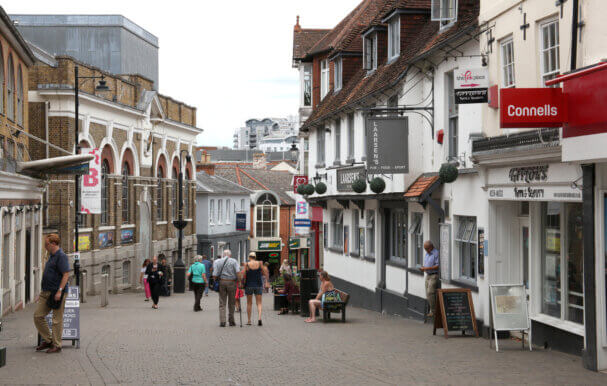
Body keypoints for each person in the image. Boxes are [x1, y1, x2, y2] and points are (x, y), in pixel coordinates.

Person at [34, 234, 70, 353]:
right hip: (46, 292)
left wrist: (60, 291)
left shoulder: (61, 256)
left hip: (57, 292)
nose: (45, 246)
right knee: (38, 316)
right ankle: (49, 341)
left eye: (47, 244)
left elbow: (66, 274)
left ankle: (57, 345)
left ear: (53, 244)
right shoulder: (50, 255)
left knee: (56, 320)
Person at [213, 250, 241, 327]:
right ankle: (231, 321)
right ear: (230, 255)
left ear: (223, 255)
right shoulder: (234, 261)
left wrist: (216, 281)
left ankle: (222, 321)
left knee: (222, 302)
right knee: (232, 302)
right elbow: (238, 272)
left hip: (222, 282)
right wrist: (240, 282)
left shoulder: (218, 262)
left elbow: (215, 274)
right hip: (232, 282)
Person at [244, 252, 269, 326]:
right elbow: (265, 273)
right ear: (255, 257)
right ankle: (259, 318)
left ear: (249, 257)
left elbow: (243, 274)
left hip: (249, 285)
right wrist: (267, 282)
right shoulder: (260, 263)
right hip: (258, 285)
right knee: (259, 303)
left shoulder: (247, 264)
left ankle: (249, 321)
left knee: (249, 303)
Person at [419, 240, 440, 317]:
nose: (426, 250)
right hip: (428, 275)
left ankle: (435, 312)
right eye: (425, 249)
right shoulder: (427, 254)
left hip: (434, 275)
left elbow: (437, 265)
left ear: (431, 247)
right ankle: (432, 310)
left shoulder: (436, 253)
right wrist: (423, 268)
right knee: (427, 294)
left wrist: (427, 268)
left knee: (430, 292)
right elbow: (427, 264)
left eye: (427, 249)